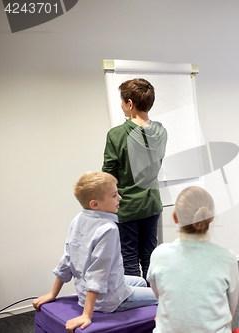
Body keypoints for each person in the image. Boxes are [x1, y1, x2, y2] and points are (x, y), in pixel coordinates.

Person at [32, 171, 157, 333]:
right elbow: (98, 275)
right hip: (110, 301)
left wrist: (52, 293)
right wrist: (86, 315)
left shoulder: (78, 220)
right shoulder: (108, 229)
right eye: (114, 195)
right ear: (95, 204)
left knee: (140, 282)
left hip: (86, 293)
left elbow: (66, 261)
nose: (120, 198)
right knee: (166, 295)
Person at [147, 186, 239, 333]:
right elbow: (230, 308)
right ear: (211, 217)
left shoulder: (159, 254)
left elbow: (160, 296)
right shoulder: (227, 258)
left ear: (175, 217)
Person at [102, 78, 167, 280]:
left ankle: (138, 306)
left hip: (126, 206)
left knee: (129, 258)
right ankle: (152, 303)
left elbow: (108, 176)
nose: (121, 106)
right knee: (150, 255)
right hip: (152, 203)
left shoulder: (116, 134)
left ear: (130, 104)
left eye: (122, 102)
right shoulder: (161, 131)